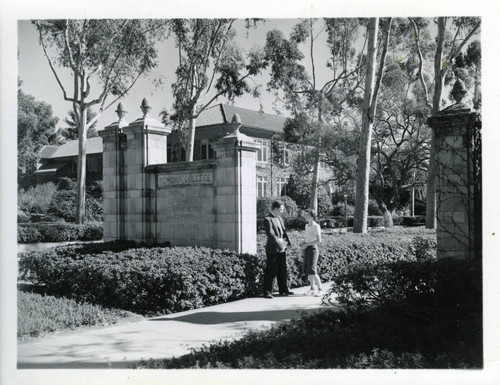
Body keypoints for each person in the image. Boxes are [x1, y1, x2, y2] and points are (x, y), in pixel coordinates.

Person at [263, 200, 294, 299]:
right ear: (275, 209)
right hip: (273, 249)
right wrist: (279, 245)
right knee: (271, 271)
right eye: (280, 210)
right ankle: (267, 291)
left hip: (282, 247)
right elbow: (271, 234)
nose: (282, 212)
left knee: (282, 269)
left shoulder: (279, 218)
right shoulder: (268, 219)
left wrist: (288, 244)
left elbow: (284, 232)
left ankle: (283, 289)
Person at [301, 209, 324, 297]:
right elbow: (308, 238)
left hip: (313, 249)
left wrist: (307, 244)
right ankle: (312, 289)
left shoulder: (316, 226)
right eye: (305, 215)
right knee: (308, 271)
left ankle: (320, 289)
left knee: (312, 270)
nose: (306, 217)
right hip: (307, 248)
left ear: (312, 216)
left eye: (308, 215)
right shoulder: (306, 225)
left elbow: (318, 240)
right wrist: (303, 242)